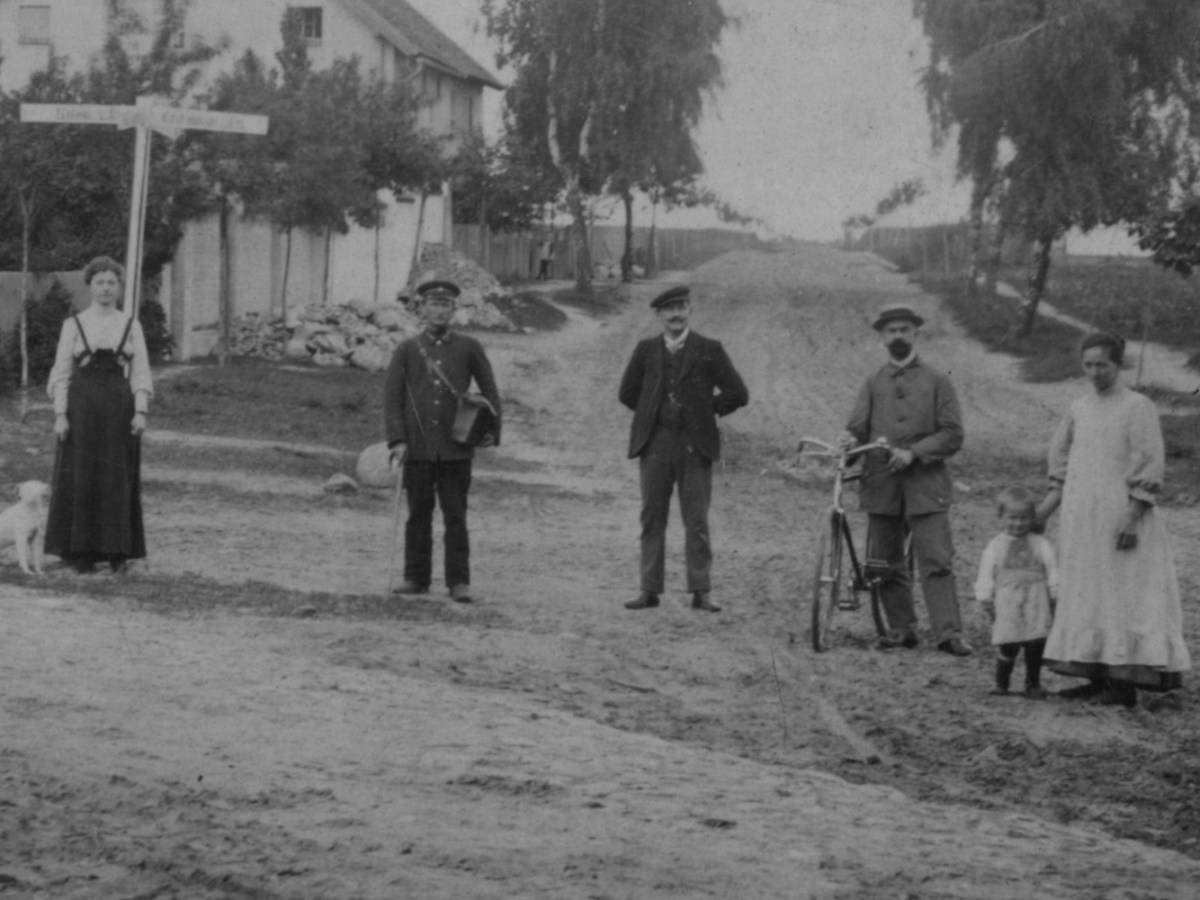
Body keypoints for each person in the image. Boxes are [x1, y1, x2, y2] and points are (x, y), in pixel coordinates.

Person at [1035, 331, 1190, 708]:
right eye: (1088, 365)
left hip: (1120, 516)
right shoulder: (1079, 408)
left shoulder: (1137, 407)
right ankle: (1094, 675)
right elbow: (1062, 463)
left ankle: (1122, 684)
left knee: (1123, 594)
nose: (1095, 372)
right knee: (1087, 592)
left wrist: (1132, 516)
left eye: (1102, 365)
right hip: (1081, 517)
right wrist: (1043, 511)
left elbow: (1150, 461)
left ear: (1118, 365)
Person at [841, 302, 972, 655]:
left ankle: (949, 632)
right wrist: (850, 442)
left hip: (926, 486)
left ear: (915, 333)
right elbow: (856, 428)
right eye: (891, 330)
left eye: (904, 329)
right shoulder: (873, 382)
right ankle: (901, 629)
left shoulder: (937, 381)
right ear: (882, 337)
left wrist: (915, 453)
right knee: (885, 562)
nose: (897, 336)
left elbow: (953, 433)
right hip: (882, 485)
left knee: (937, 560)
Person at [618, 284, 749, 613]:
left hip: (695, 445)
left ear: (690, 309)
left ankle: (701, 590)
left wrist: (705, 411)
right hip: (656, 444)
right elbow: (627, 392)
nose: (675, 315)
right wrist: (653, 414)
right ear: (659, 315)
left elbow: (738, 392)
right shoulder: (646, 350)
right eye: (668, 309)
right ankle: (649, 589)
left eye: (681, 307)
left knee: (696, 519)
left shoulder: (709, 349)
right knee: (652, 516)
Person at [383, 280, 501, 604]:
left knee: (455, 516)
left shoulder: (468, 347)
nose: (439, 311)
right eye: (432, 305)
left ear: (454, 310)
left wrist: (491, 431)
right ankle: (415, 577)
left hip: (455, 448)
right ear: (422, 309)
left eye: (445, 305)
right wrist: (397, 440)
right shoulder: (407, 350)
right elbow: (392, 399)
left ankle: (458, 581)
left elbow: (490, 391)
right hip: (417, 447)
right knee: (418, 514)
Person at [45, 256, 151, 574]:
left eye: (111, 283)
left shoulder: (130, 325)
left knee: (116, 477)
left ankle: (117, 552)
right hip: (82, 410)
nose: (106, 289)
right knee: (82, 474)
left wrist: (141, 410)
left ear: (119, 288)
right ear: (90, 286)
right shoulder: (73, 325)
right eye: (100, 282)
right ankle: (81, 553)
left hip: (119, 408)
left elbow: (141, 372)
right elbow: (61, 374)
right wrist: (61, 414)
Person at [974, 486, 1057, 698]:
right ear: (1001, 517)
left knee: (1035, 642)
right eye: (1012, 518)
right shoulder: (996, 546)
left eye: (1024, 518)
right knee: (1008, 642)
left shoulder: (1040, 544)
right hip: (1007, 599)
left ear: (1032, 519)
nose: (1018, 523)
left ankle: (1033, 683)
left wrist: (1055, 593)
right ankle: (1001, 682)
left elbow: (1052, 568)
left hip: (1035, 599)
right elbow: (987, 571)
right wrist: (985, 596)